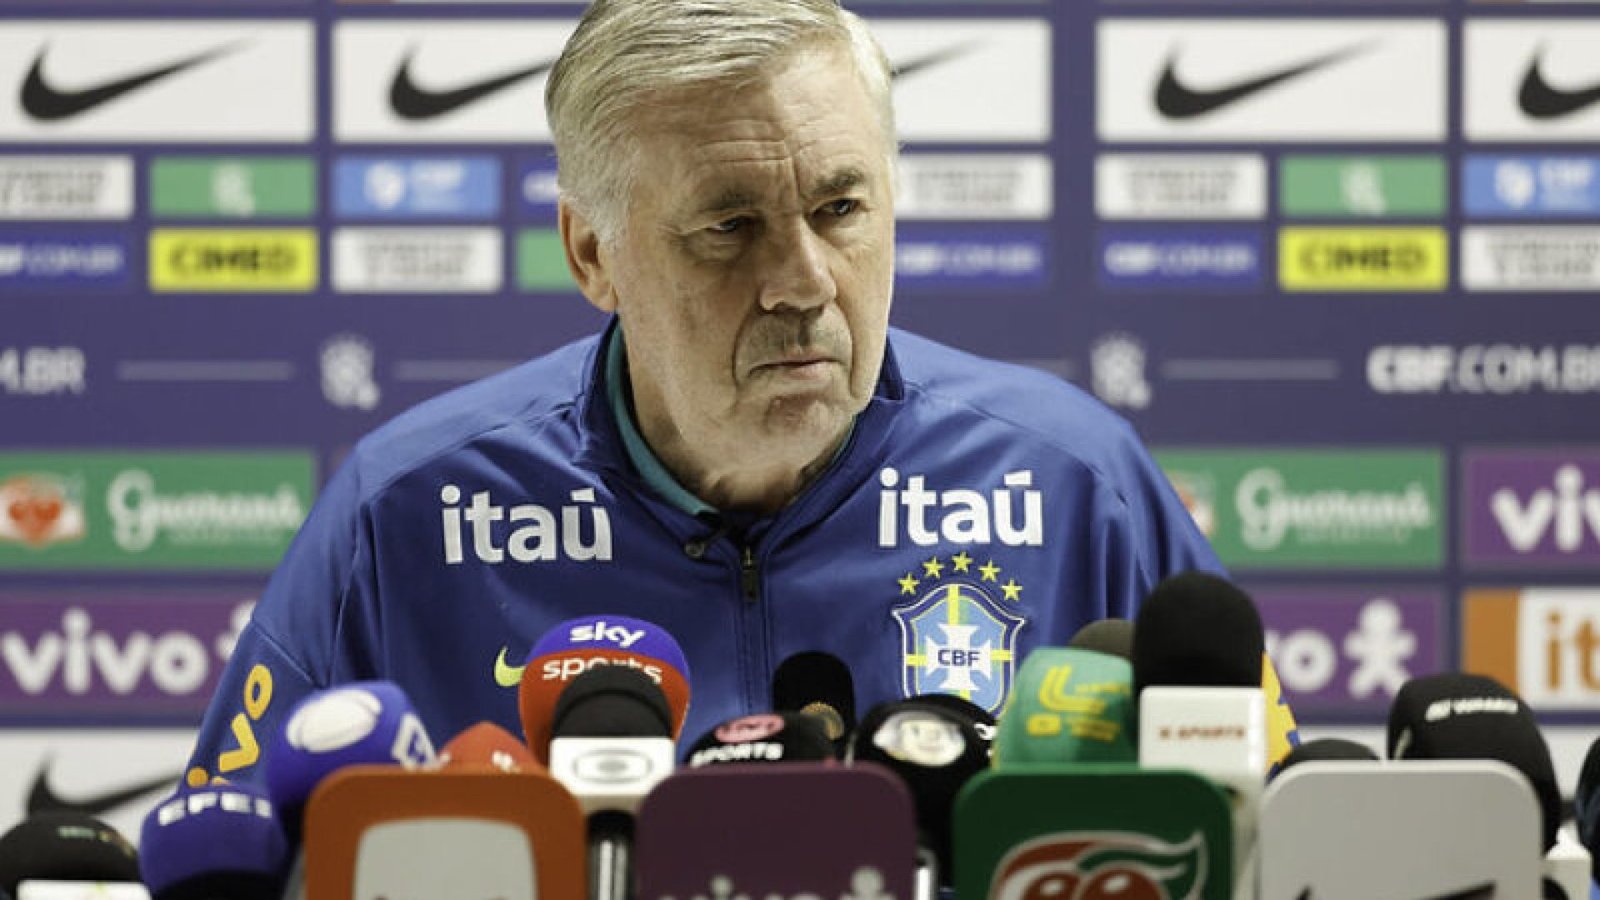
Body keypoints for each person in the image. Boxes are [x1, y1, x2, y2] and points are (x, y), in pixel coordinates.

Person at [183, 0, 1239, 789]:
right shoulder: (403, 513)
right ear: (592, 251)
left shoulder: (1073, 482)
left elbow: (1246, 828)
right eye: (729, 228)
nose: (803, 281)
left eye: (839, 207)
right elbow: (229, 843)